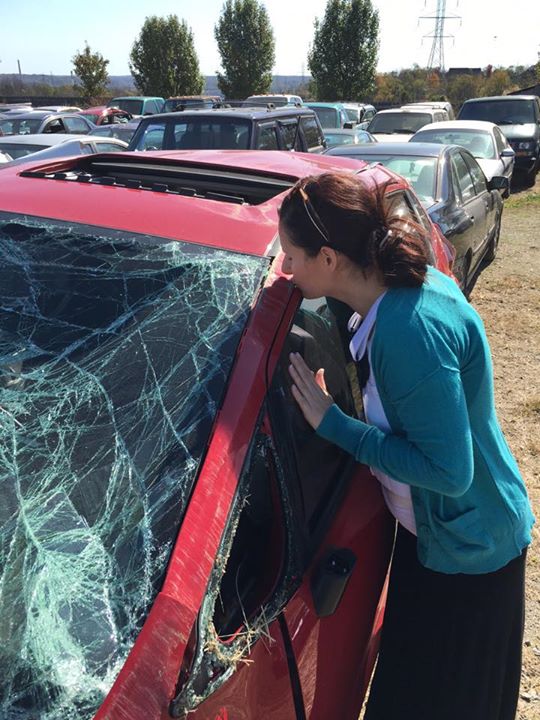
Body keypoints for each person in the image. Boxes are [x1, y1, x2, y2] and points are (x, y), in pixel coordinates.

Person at [278, 171, 535, 720]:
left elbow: (449, 472)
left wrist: (336, 426)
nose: (285, 270)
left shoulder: (406, 328)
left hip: (470, 552)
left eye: (292, 256)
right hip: (439, 541)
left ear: (328, 258)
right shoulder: (386, 298)